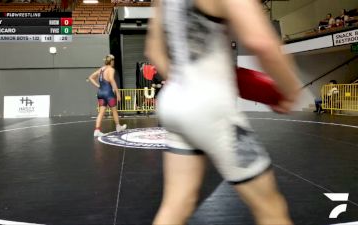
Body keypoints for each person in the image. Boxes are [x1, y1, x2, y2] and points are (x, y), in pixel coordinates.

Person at [145, 0, 301, 225]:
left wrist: (187, 89)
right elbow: (262, 43)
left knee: (176, 205)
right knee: (271, 208)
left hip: (174, 101)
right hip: (211, 110)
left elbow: (153, 51)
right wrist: (291, 91)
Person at [87, 54, 127, 137]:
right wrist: (118, 93)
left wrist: (98, 86)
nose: (114, 62)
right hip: (108, 93)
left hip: (100, 93)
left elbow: (90, 77)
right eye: (113, 61)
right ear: (111, 61)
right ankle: (118, 127)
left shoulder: (101, 69)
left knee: (101, 112)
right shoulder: (111, 69)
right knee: (114, 110)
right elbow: (112, 80)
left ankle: (97, 130)